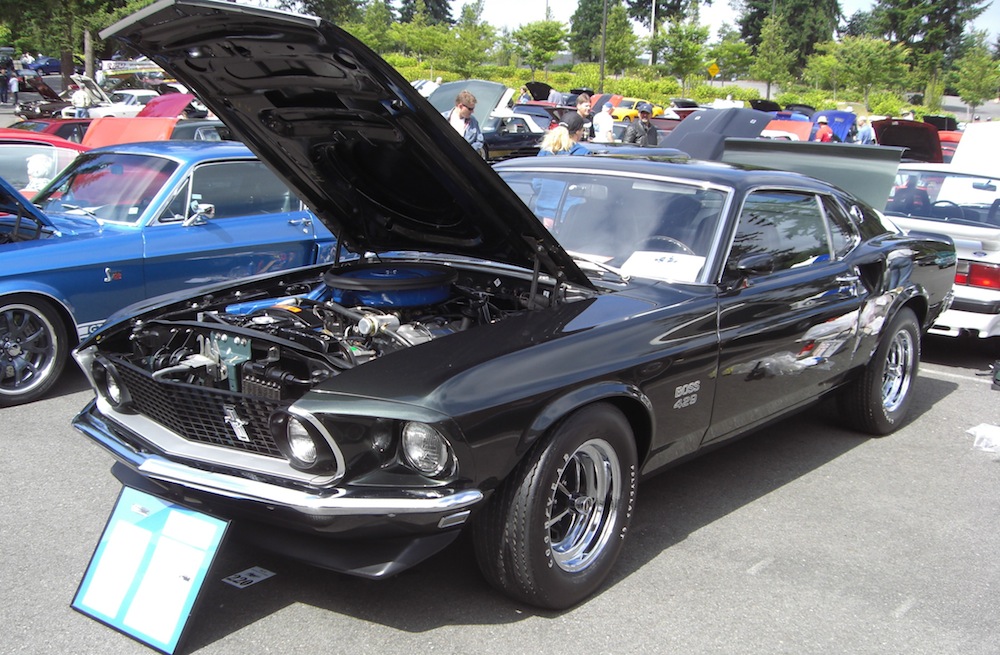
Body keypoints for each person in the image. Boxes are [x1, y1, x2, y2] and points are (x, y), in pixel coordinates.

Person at [441, 90, 484, 156]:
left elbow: (479, 141)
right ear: (460, 106)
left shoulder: (473, 121)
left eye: (473, 109)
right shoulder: (443, 118)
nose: (472, 112)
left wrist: (467, 150)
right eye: (470, 109)